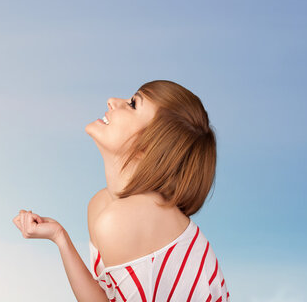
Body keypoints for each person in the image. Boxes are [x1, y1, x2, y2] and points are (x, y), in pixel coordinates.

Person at [13, 80, 230, 302]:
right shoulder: (103, 205)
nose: (112, 101)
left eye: (133, 104)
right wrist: (60, 237)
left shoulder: (122, 220)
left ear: (149, 148)